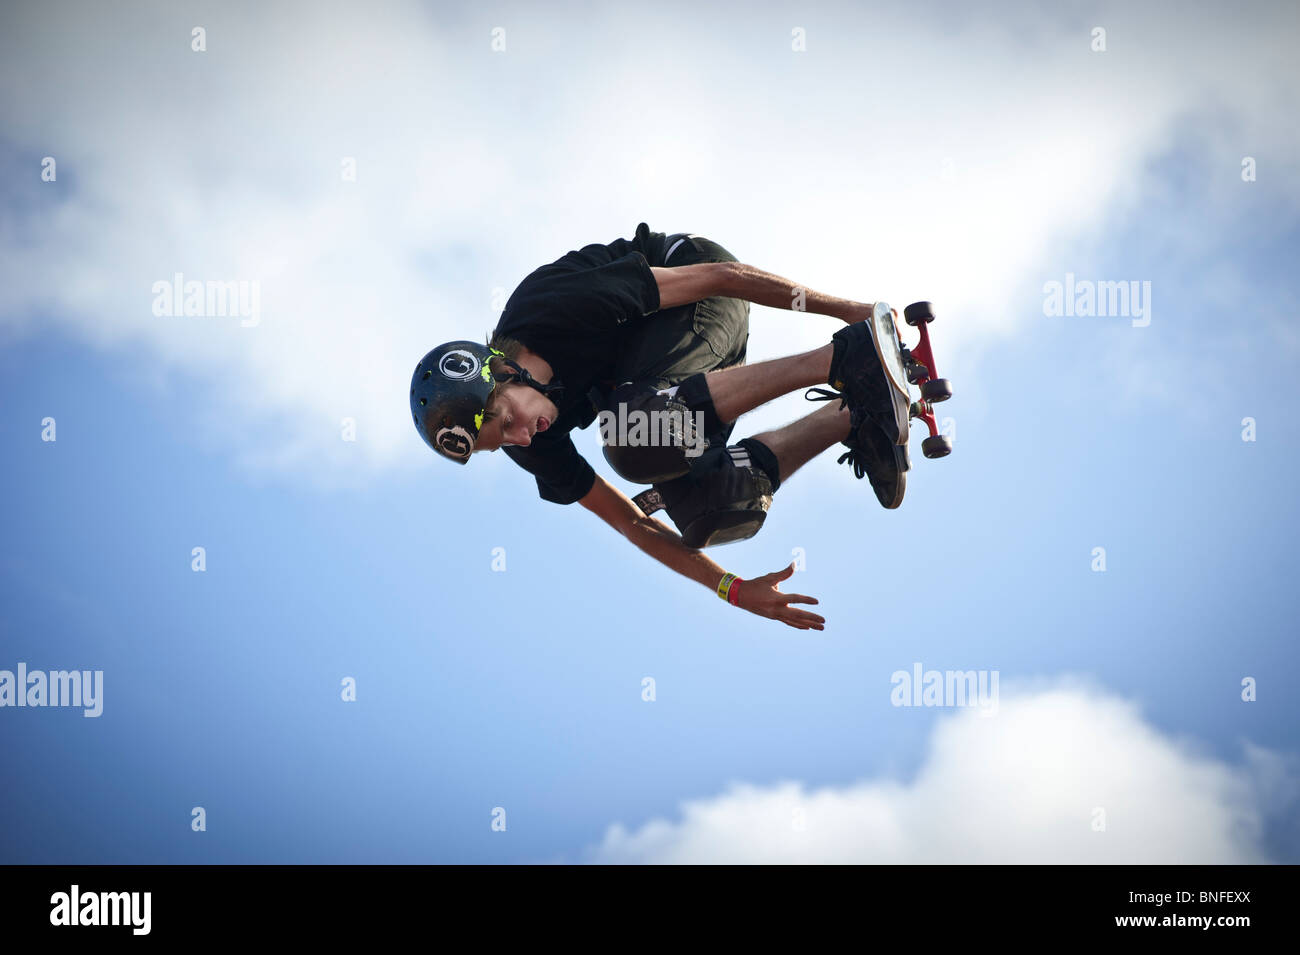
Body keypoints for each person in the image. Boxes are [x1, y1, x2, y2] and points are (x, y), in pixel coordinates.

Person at [410, 223, 911, 631]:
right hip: (667, 393)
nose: (524, 438)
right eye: (504, 445)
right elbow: (631, 521)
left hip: (700, 299)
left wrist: (855, 314)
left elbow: (721, 275)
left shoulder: (552, 306)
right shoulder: (532, 445)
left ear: (501, 371)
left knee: (633, 435)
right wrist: (731, 590)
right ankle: (856, 416)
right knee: (703, 510)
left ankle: (846, 360)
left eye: (508, 421)